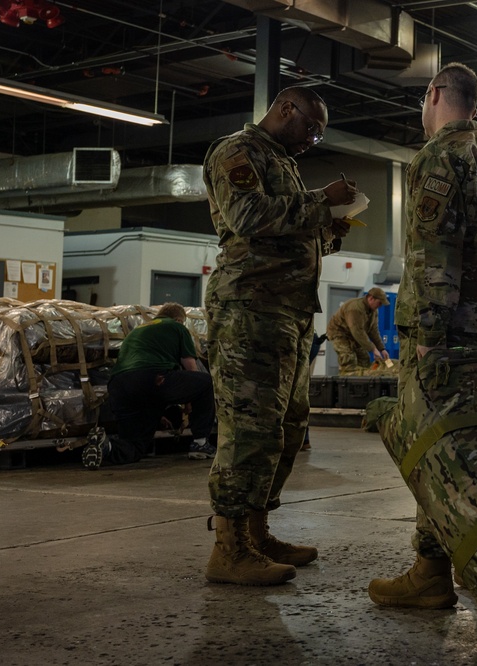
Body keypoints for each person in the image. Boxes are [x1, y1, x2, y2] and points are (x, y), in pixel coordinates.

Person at [367, 63, 477, 608]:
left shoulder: (440, 155)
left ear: (435, 94)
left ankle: (430, 573)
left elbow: (433, 252)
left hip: (445, 332)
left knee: (431, 447)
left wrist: (428, 334)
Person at [202, 86, 357, 586]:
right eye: (310, 126)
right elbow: (247, 218)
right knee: (250, 431)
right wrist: (319, 203)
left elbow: (281, 234)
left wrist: (329, 231)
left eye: (319, 133)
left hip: (286, 312)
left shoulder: (282, 160)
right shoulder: (236, 151)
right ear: (285, 109)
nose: (313, 138)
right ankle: (229, 549)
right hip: (249, 310)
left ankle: (256, 532)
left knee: (287, 427)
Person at [84, 303, 215, 470]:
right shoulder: (177, 326)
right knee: (205, 383)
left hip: (118, 386)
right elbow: (190, 367)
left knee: (136, 444)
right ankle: (201, 443)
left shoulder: (138, 329)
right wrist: (190, 400)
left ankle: (107, 448)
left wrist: (157, 413)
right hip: (152, 378)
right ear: (178, 319)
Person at [326, 288, 390, 376]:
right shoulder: (355, 308)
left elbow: (373, 330)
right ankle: (345, 384)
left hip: (354, 335)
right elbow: (357, 331)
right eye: (379, 303)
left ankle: (363, 385)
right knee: (349, 359)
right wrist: (373, 349)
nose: (380, 305)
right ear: (371, 298)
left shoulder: (373, 311)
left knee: (364, 359)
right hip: (340, 334)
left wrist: (382, 349)